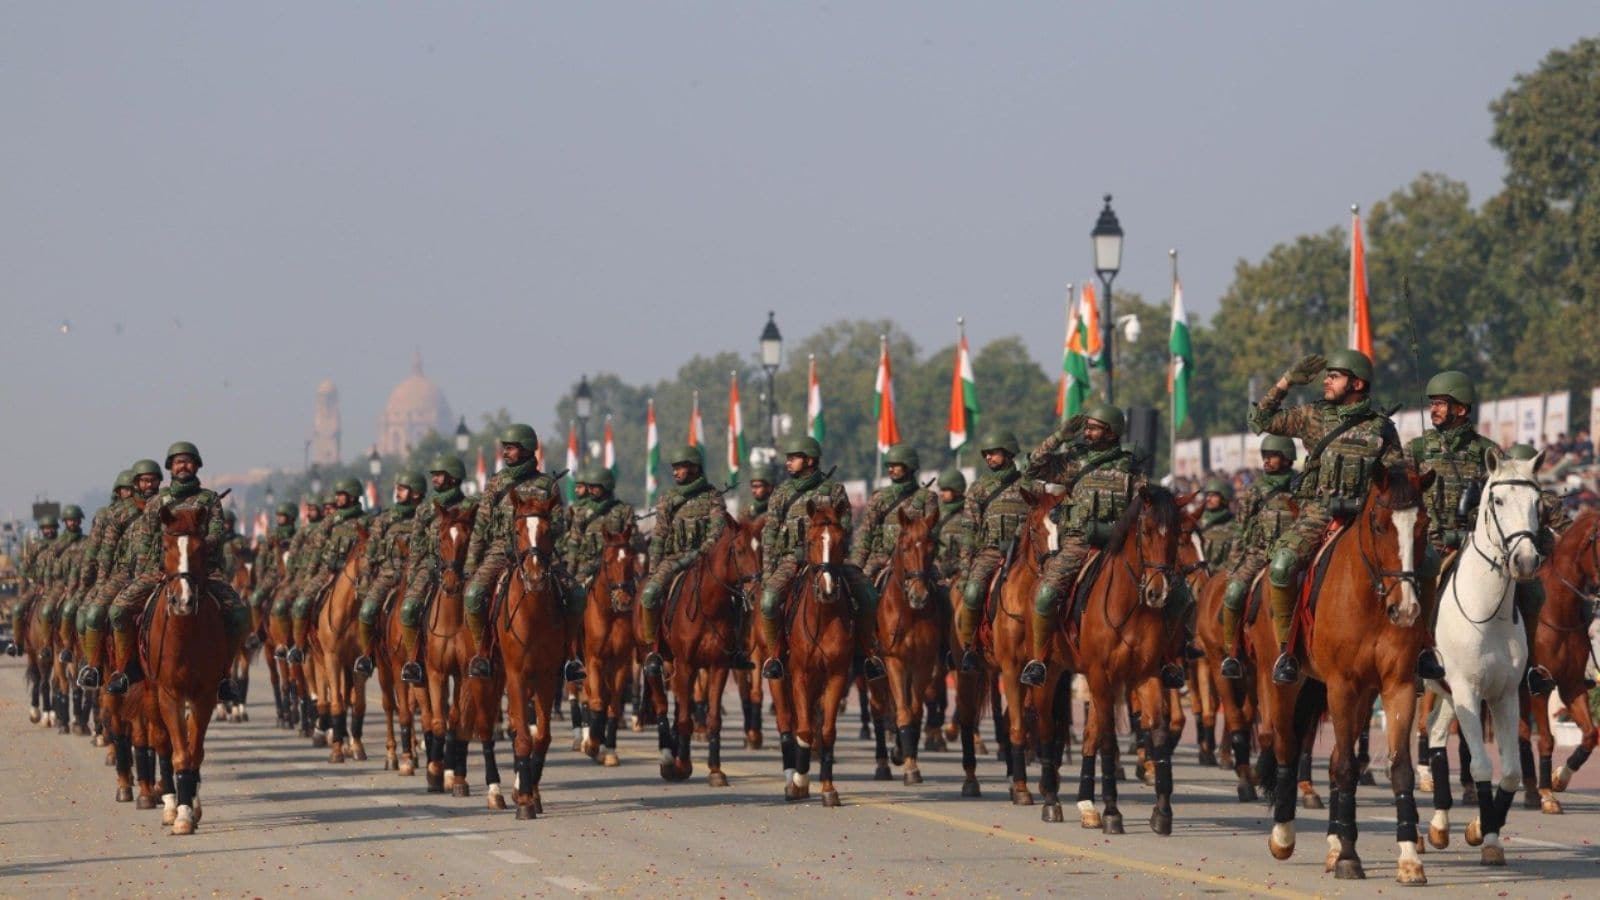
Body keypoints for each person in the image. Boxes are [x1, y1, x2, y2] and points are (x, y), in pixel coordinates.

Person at [1248, 350, 1403, 685]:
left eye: (1335, 375)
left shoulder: (1382, 428)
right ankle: (1287, 651)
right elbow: (1259, 421)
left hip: (1368, 518)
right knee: (1281, 565)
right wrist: (1287, 381)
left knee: (1418, 564)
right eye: (1327, 375)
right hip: (1318, 511)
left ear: (1357, 383)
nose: (1327, 381)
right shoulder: (1313, 417)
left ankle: (1420, 650)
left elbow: (1397, 479)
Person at [106, 442, 251, 699]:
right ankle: (126, 669)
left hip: (204, 571)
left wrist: (192, 549)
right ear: (170, 468)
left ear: (196, 466)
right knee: (118, 611)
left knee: (239, 615)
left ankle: (224, 675)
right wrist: (149, 572)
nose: (183, 466)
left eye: (188, 461)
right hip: (160, 572)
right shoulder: (158, 502)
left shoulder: (208, 500)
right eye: (178, 462)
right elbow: (145, 541)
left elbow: (217, 532)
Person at [1021, 404, 1147, 687]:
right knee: (1044, 594)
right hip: (1078, 544)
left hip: (1120, 546)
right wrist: (1059, 437)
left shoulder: (1131, 468)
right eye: (1087, 427)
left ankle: (1170, 659)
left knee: (1170, 589)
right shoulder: (1073, 462)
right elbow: (1031, 470)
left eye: (1094, 428)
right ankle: (1039, 660)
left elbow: (1145, 507)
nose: (1087, 432)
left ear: (1111, 432)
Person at [462, 424, 583, 682]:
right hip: (499, 552)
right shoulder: (496, 483)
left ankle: (570, 655)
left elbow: (560, 524)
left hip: (539, 555)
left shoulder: (547, 485)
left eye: (512, 448)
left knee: (576, 593)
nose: (506, 452)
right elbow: (481, 527)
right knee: (473, 595)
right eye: (504, 447)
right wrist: (471, 565)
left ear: (527, 449)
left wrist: (542, 526)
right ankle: (482, 652)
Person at [757, 435, 882, 682]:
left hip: (829, 561)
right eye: (788, 458)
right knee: (769, 601)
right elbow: (769, 534)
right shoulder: (781, 493)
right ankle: (776, 655)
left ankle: (866, 653)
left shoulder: (834, 490)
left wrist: (830, 545)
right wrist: (768, 572)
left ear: (810, 460)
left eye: (793, 458)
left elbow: (845, 527)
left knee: (868, 595)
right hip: (790, 560)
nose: (788, 462)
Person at [1406, 370, 1499, 683]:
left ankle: (1532, 665)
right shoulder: (1417, 449)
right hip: (1430, 543)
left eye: (1441, 404)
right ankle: (1418, 654)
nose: (1433, 409)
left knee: (1531, 590)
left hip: (1477, 545)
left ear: (1461, 409)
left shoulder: (1489, 452)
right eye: (1432, 403)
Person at [639, 446, 744, 676]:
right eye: (674, 468)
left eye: (681, 467)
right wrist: (655, 569)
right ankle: (654, 650)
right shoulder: (668, 499)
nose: (676, 472)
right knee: (649, 595)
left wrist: (700, 553)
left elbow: (717, 531)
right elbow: (659, 536)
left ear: (695, 468)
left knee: (740, 597)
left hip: (705, 561)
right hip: (674, 559)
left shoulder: (712, 496)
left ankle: (737, 647)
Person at [1217, 436, 1300, 678]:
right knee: (1233, 594)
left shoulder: (1302, 485)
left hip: (1295, 552)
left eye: (1272, 456)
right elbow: (1240, 530)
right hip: (1259, 553)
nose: (1267, 460)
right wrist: (1234, 566)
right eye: (1265, 456)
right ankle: (1231, 654)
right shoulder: (1255, 489)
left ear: (1286, 458)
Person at [75, 460, 162, 684]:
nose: (149, 484)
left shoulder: (168, 506)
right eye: (144, 480)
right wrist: (101, 582)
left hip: (162, 573)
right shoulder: (120, 514)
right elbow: (106, 552)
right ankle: (94, 667)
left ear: (160, 481)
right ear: (136, 483)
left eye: (152, 479)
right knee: (94, 614)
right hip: (125, 573)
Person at [953, 431, 1030, 673]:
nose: (989, 458)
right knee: (973, 594)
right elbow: (968, 531)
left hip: (1023, 556)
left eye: (994, 453)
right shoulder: (979, 489)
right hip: (990, 553)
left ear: (1008, 454)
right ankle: (970, 649)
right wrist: (966, 571)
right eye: (986, 454)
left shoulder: (1027, 486)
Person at [397, 455, 476, 685]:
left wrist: (470, 565)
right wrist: (416, 573)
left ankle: (485, 656)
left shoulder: (470, 507)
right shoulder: (425, 510)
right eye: (433, 475)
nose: (435, 479)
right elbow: (417, 546)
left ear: (453, 477)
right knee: (409, 608)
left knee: (486, 603)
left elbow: (480, 537)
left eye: (439, 475)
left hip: (465, 568)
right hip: (430, 567)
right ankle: (413, 660)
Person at [353, 471, 426, 676]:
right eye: (397, 488)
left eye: (402, 489)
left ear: (416, 493)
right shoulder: (385, 519)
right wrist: (366, 576)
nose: (398, 492)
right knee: (367, 611)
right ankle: (367, 655)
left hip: (419, 576)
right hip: (388, 574)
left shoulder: (427, 516)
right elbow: (370, 551)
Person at [289, 478, 368, 663]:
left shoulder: (366, 521)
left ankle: (371, 651)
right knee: (301, 604)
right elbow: (317, 546)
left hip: (356, 575)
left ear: (353, 496)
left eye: (341, 495)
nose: (337, 498)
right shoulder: (332, 520)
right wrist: (309, 575)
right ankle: (299, 647)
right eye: (337, 495)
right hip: (328, 571)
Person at [849, 444, 937, 584]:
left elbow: (933, 534)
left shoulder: (927, 497)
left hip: (917, 559)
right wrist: (855, 566)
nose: (890, 469)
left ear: (909, 467)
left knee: (943, 593)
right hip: (881, 559)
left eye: (896, 465)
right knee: (859, 593)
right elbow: (866, 534)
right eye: (889, 465)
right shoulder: (879, 497)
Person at [930, 467, 968, 581]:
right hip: (939, 568)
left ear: (957, 490)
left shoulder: (969, 511)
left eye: (945, 490)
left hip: (963, 568)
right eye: (941, 490)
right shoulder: (937, 513)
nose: (941, 494)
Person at [1196, 479, 1237, 568]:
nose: (1208, 499)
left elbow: (1234, 560)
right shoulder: (1198, 523)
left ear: (1224, 498)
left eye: (1213, 496)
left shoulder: (1233, 527)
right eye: (1207, 495)